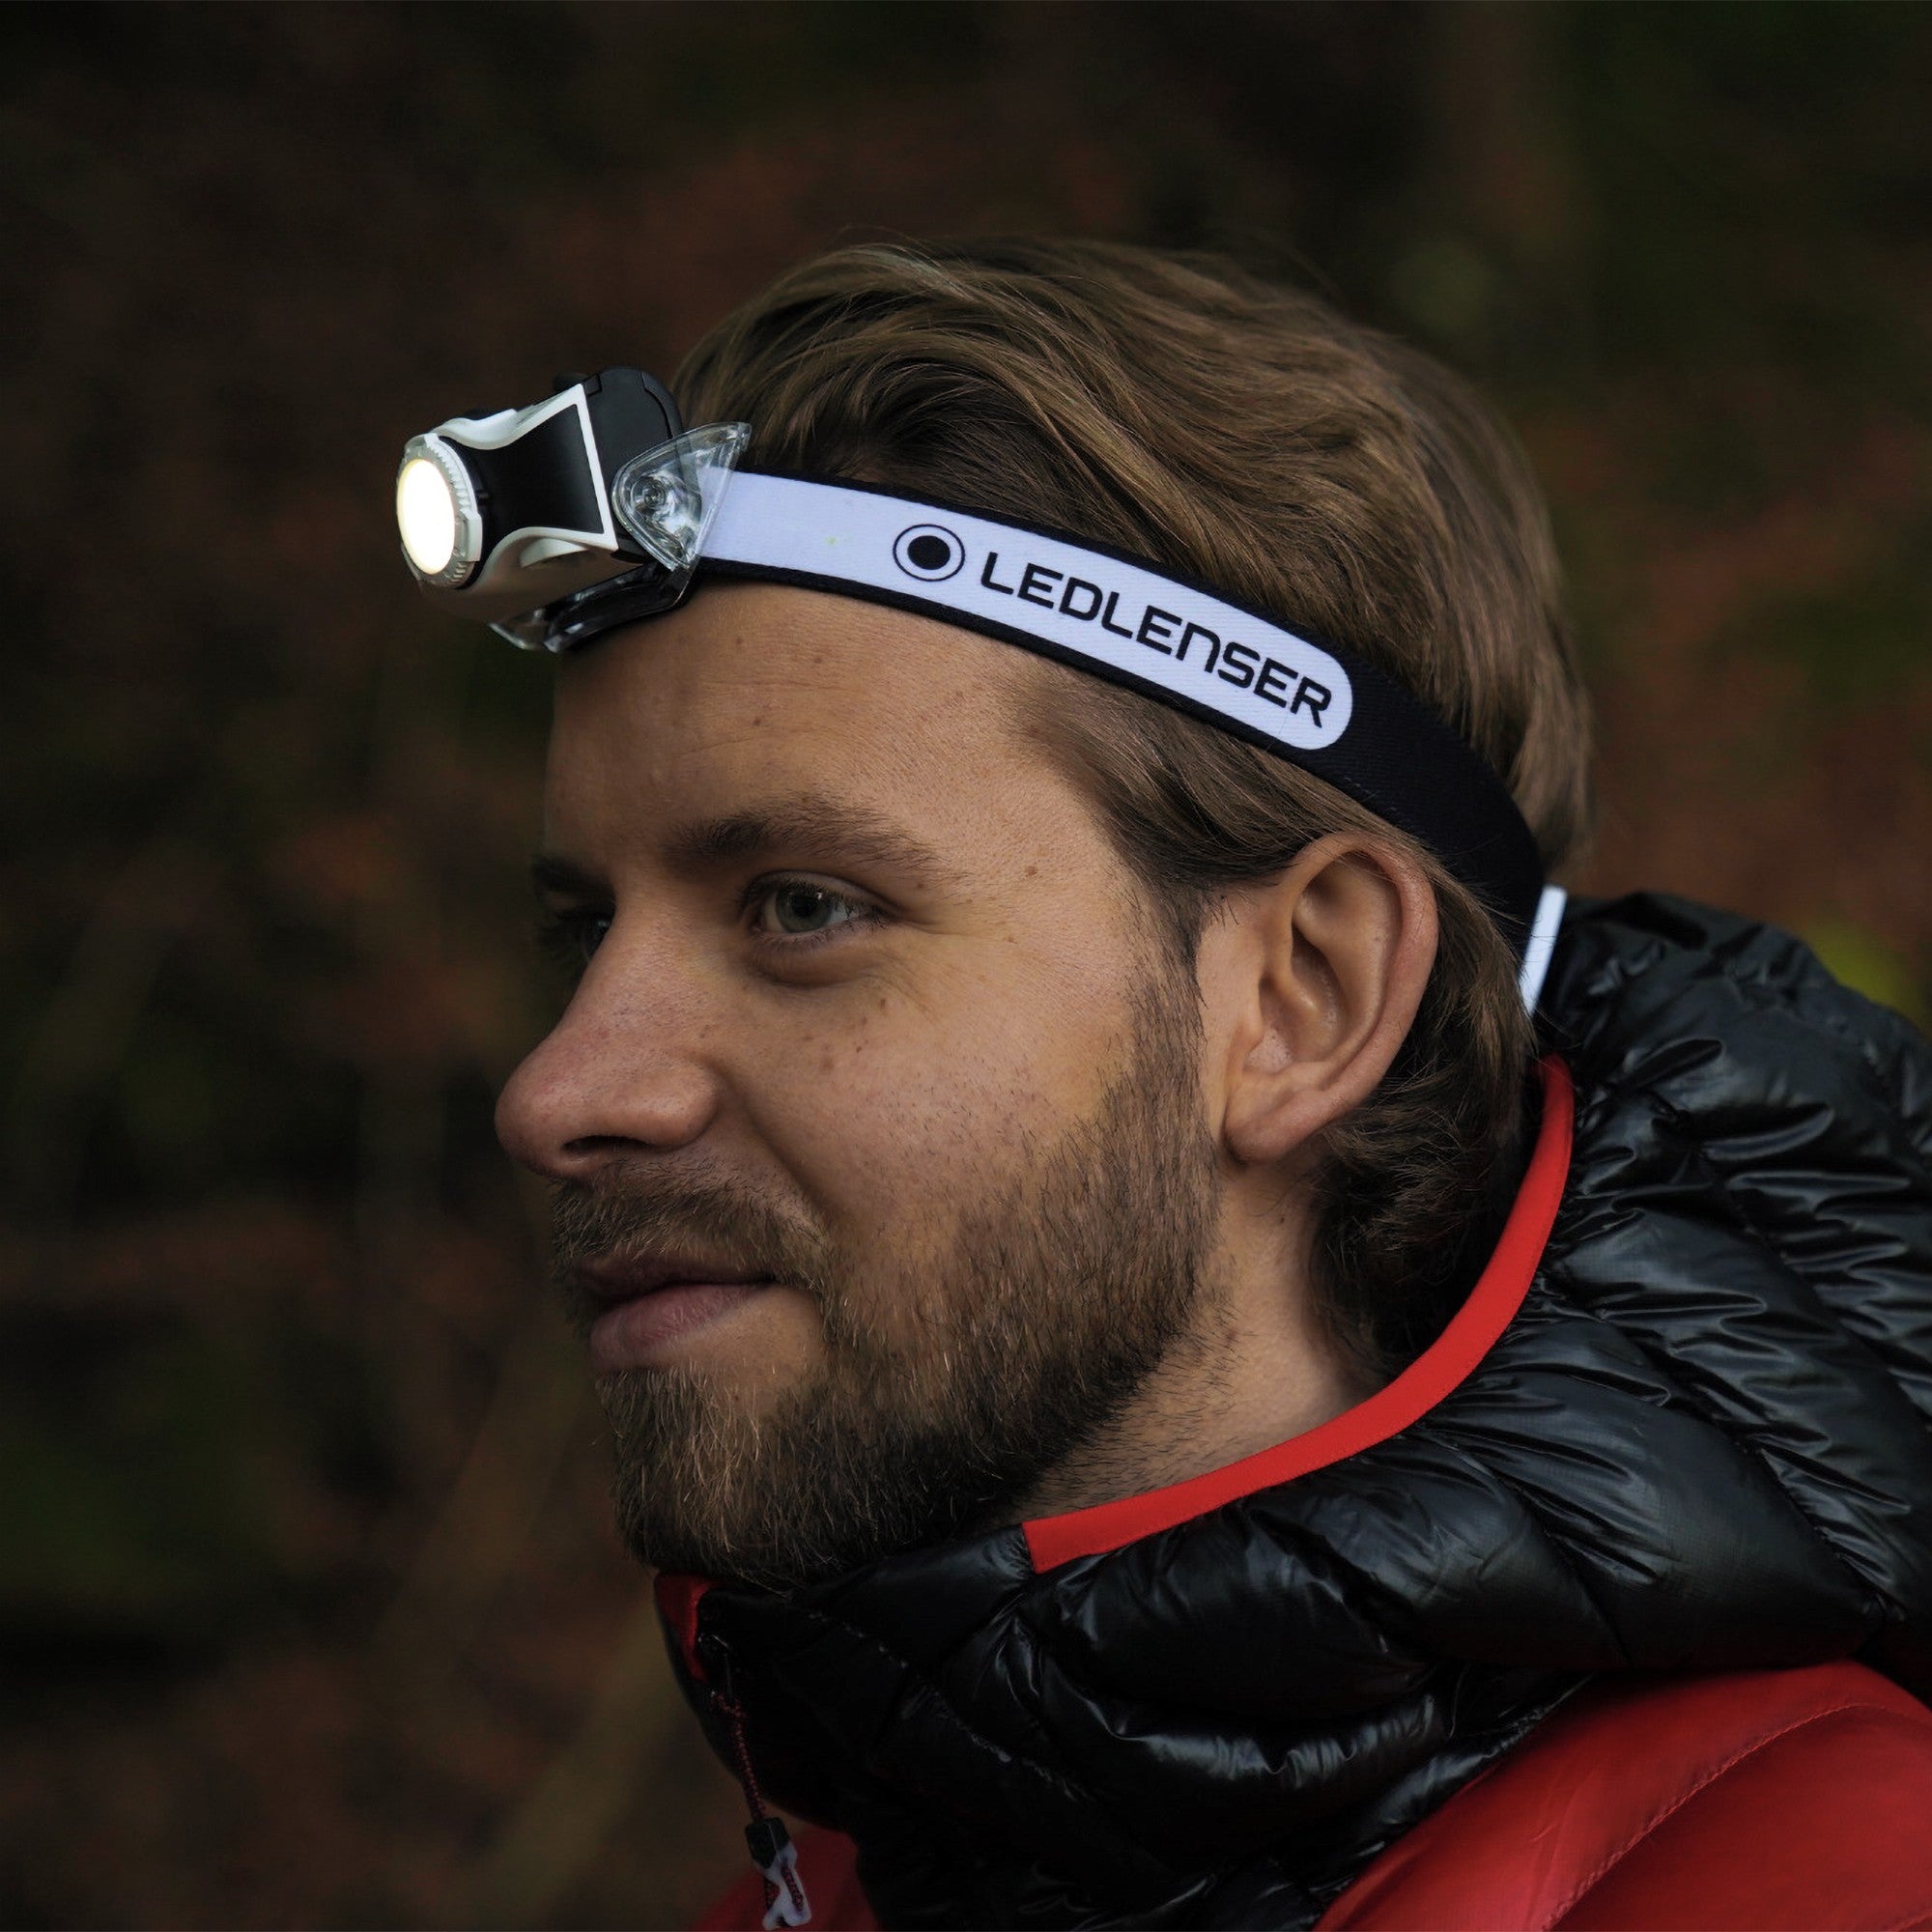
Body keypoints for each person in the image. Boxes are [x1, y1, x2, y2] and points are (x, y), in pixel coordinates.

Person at [474, 240, 1932, 1930]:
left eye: (805, 907)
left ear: (1302, 1000)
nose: (563, 1086)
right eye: (584, 930)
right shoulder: (819, 1882)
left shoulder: (1831, 1875)